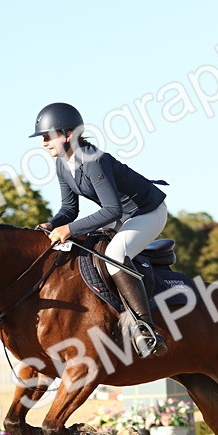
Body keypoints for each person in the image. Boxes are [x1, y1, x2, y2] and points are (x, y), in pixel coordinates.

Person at [31, 102, 169, 358]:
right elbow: (68, 208)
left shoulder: (93, 161)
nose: (44, 143)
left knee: (115, 253)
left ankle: (145, 329)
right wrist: (53, 223)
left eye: (48, 137)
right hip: (121, 215)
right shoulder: (63, 163)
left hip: (147, 212)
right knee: (90, 247)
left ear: (68, 134)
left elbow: (111, 211)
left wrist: (69, 229)